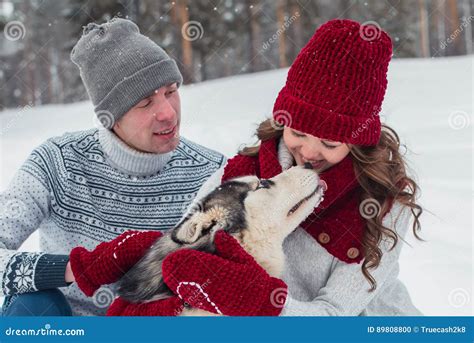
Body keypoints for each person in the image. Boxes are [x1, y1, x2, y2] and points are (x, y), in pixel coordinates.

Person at [68, 19, 424, 316]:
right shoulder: (239, 178)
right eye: (299, 132)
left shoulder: (382, 207)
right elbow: (184, 266)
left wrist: (260, 303)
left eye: (330, 143)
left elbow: (334, 318)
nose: (310, 151)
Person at [0, 18, 225, 316]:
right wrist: (77, 268)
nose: (168, 113)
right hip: (67, 330)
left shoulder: (212, 173)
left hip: (158, 326)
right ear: (110, 117)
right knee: (32, 306)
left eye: (171, 91)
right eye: (145, 103)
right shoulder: (56, 163)